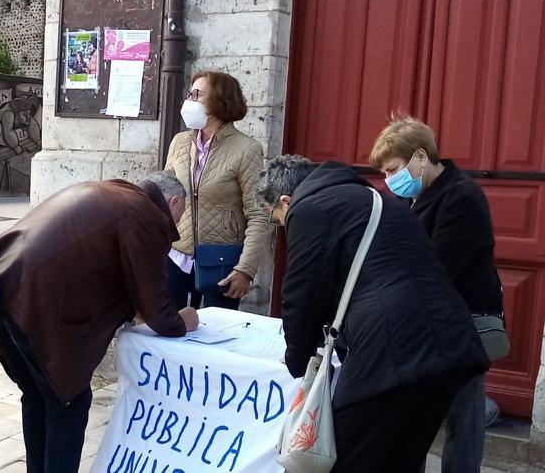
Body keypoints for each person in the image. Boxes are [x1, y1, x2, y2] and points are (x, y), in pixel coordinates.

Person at [257, 155, 490, 472]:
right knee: (398, 462)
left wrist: (299, 360)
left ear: (285, 201)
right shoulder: (376, 199)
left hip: (394, 350)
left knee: (338, 460)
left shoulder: (308, 208)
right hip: (450, 345)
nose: (280, 225)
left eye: (275, 217)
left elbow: (301, 293)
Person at [0, 171, 200, 473]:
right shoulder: (146, 214)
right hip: (35, 304)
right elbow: (157, 308)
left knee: (37, 396)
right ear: (173, 201)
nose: (176, 224)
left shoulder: (113, 190)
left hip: (1, 286)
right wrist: (183, 320)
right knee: (68, 402)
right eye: (180, 214)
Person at [370, 116, 503, 473]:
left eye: (393, 169)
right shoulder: (410, 197)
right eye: (383, 173)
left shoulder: (461, 196)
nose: (389, 179)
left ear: (420, 157)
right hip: (425, 322)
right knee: (418, 417)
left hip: (459, 322)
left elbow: (436, 267)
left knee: (463, 420)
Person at [163, 70, 269, 310]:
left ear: (220, 100)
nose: (190, 100)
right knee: (167, 333)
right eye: (190, 94)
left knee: (216, 334)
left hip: (222, 263)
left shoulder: (247, 149)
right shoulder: (180, 142)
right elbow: (165, 197)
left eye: (197, 94)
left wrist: (245, 269)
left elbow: (259, 214)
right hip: (176, 257)